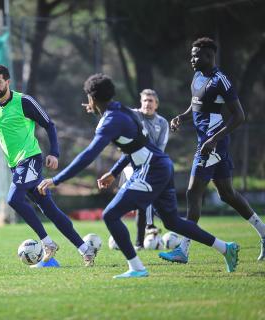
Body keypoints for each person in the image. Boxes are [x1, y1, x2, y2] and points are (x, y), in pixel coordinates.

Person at [37, 73, 239, 278]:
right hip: (161, 165)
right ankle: (225, 248)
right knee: (172, 222)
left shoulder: (111, 121)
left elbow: (89, 154)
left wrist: (56, 179)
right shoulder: (122, 111)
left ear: (92, 98)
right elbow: (134, 147)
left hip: (151, 170)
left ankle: (137, 268)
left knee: (111, 215)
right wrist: (114, 172)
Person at [0, 65, 95, 266]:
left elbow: (49, 124)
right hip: (15, 165)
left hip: (31, 159)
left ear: (8, 82)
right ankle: (85, 249)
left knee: (13, 199)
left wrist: (54, 153)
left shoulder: (23, 101)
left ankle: (47, 243)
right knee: (49, 209)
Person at [160, 37, 265, 263]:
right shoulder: (197, 76)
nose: (192, 59)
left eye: (196, 55)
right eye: (191, 55)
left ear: (209, 56)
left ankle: (183, 250)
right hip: (207, 142)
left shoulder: (221, 81)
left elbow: (239, 116)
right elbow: (196, 105)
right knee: (226, 194)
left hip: (212, 143)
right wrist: (182, 117)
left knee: (192, 192)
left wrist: (214, 140)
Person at [132, 89, 169, 249]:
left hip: (152, 166)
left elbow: (161, 149)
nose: (147, 103)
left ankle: (140, 241)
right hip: (130, 165)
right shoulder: (133, 115)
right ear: (141, 102)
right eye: (145, 100)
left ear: (156, 105)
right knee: (139, 201)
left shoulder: (162, 123)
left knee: (145, 201)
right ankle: (146, 229)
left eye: (150, 101)